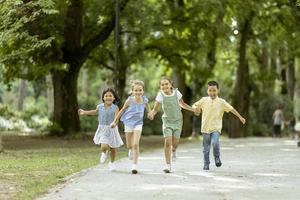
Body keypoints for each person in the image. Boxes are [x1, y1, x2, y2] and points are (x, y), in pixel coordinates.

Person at [192, 81, 246, 170]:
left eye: (214, 90)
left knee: (215, 143)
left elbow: (232, 109)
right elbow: (194, 105)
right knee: (206, 148)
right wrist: (195, 109)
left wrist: (240, 117)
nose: (212, 93)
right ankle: (206, 163)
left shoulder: (222, 102)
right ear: (207, 91)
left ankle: (217, 157)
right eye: (210, 90)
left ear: (218, 91)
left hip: (216, 128)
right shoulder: (203, 100)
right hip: (205, 128)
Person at [150, 77, 198, 173]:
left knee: (175, 144)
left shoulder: (176, 93)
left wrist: (193, 109)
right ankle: (168, 165)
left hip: (178, 121)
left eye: (166, 84)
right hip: (167, 121)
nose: (164, 86)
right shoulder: (160, 95)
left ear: (170, 84)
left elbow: (182, 104)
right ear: (160, 87)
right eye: (162, 85)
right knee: (168, 142)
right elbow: (155, 109)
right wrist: (152, 114)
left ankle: (174, 150)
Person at [110, 80, 151, 174]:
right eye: (136, 90)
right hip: (128, 123)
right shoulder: (129, 100)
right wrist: (114, 121)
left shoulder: (144, 100)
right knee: (129, 145)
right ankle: (130, 150)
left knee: (136, 144)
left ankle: (134, 166)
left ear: (143, 91)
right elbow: (121, 111)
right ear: (132, 91)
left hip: (138, 123)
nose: (138, 92)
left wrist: (150, 114)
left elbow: (149, 109)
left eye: (140, 90)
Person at [78, 88, 123, 171]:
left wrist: (114, 123)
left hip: (112, 129)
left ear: (113, 98)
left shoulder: (115, 107)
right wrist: (84, 112)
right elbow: (94, 112)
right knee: (104, 146)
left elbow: (117, 118)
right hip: (102, 128)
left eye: (110, 96)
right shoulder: (100, 106)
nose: (108, 97)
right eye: (106, 96)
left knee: (113, 148)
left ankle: (112, 163)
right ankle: (104, 152)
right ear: (103, 98)